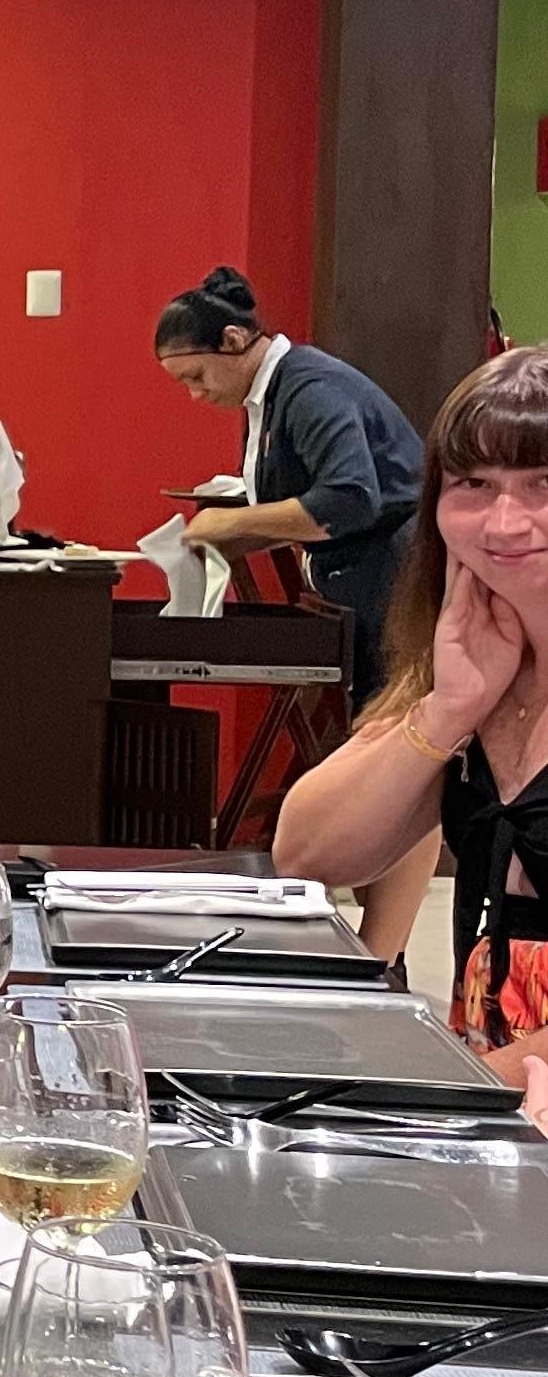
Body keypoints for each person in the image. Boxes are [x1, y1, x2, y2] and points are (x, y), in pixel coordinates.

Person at [276, 344, 548, 1074]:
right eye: (474, 484)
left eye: (542, 484)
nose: (505, 522)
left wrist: (450, 1091)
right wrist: (449, 709)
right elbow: (307, 852)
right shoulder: (481, 655)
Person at [155, 265, 421, 706]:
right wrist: (232, 539)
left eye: (196, 376)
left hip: (393, 571)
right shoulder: (277, 390)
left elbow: (349, 499)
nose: (195, 395)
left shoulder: (310, 389)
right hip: (365, 572)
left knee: (388, 722)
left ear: (233, 340)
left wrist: (230, 522)